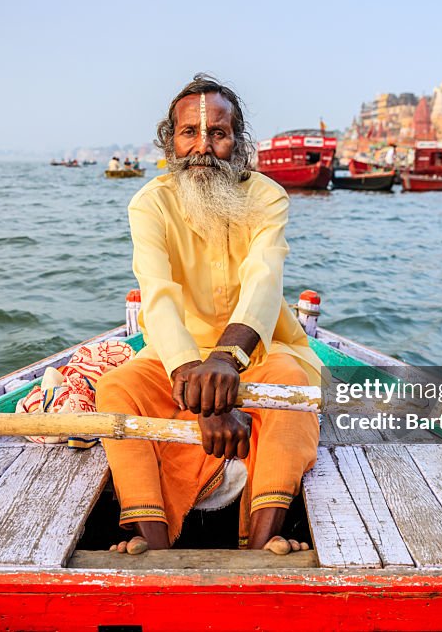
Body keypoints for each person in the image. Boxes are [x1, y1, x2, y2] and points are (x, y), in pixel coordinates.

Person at [96, 74, 321, 556]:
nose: (202, 147)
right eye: (189, 133)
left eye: (217, 134)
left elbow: (264, 281)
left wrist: (224, 363)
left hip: (257, 351)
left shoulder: (266, 196)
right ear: (170, 141)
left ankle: (262, 544)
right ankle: (151, 546)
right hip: (177, 360)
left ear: (237, 142)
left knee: (289, 382)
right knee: (115, 387)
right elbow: (157, 295)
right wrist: (199, 388)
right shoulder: (150, 204)